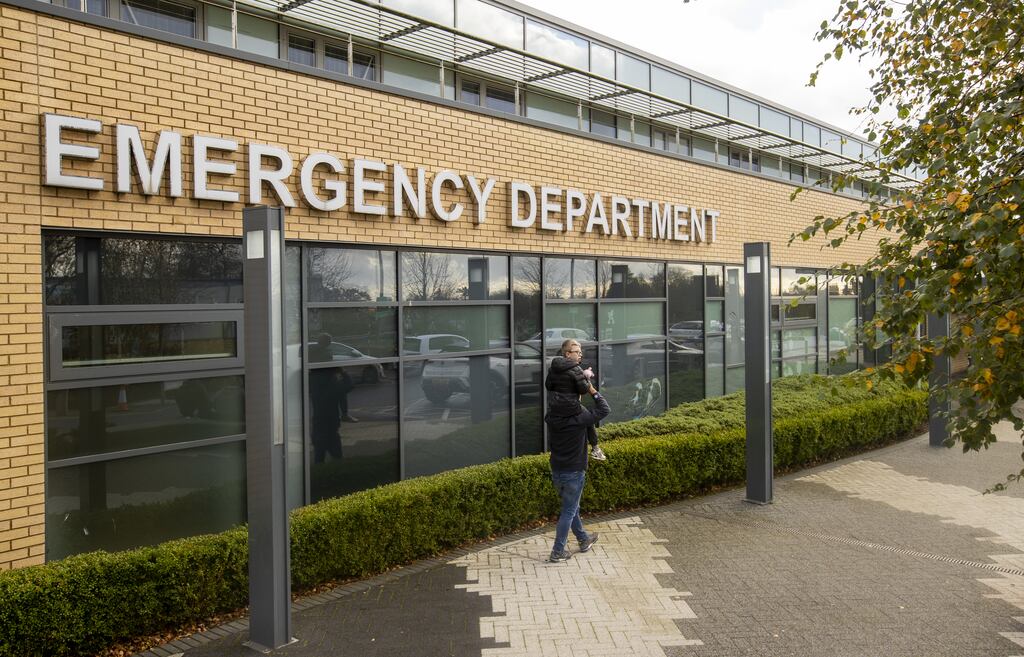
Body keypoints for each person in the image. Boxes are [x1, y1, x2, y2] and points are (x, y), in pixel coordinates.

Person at [545, 358, 610, 563]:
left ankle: (583, 539)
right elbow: (604, 408)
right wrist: (591, 389)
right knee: (568, 510)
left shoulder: (551, 416)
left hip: (557, 469)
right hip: (574, 470)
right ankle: (558, 551)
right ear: (575, 400)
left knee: (570, 507)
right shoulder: (579, 418)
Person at [546, 339, 607, 461]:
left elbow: (548, 385)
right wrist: (586, 377)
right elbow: (584, 389)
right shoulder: (576, 369)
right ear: (568, 354)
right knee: (590, 419)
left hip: (556, 409)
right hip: (572, 408)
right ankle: (595, 449)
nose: (580, 355)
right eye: (577, 352)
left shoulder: (553, 368)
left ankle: (595, 449)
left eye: (580, 352)